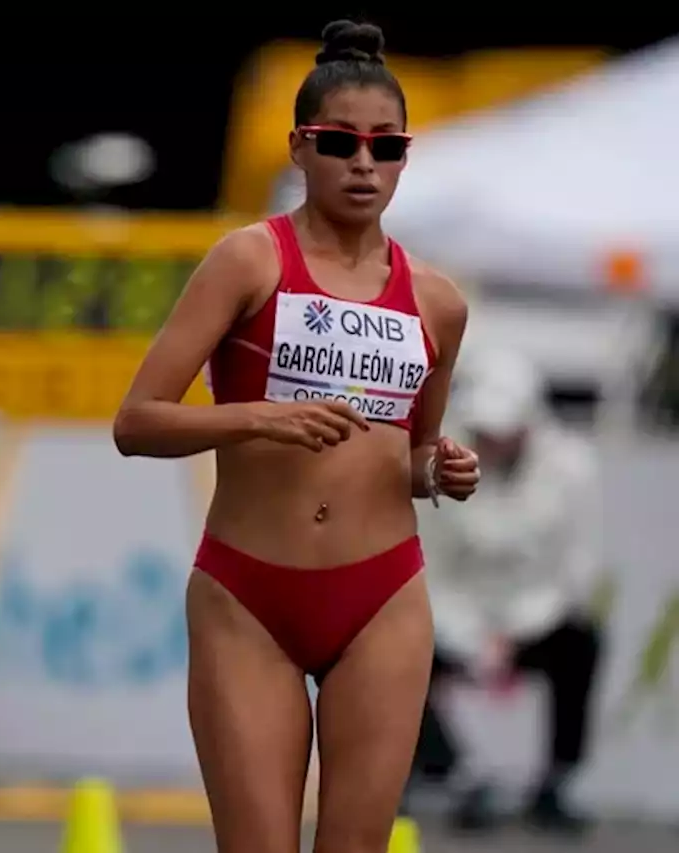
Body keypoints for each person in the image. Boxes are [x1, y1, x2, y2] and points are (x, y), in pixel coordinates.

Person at [114, 20, 481, 853]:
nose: (363, 163)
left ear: (404, 157)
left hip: (382, 595)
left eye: (385, 147)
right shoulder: (248, 261)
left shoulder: (438, 301)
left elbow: (416, 451)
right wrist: (260, 417)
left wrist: (442, 468)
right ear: (297, 148)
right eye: (339, 142)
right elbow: (136, 422)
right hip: (250, 596)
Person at [413, 349, 604, 835]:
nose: (489, 441)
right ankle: (459, 777)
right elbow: (431, 570)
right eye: (483, 429)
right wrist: (473, 637)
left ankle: (556, 783)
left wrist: (512, 635)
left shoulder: (573, 469)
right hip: (459, 621)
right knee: (391, 651)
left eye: (500, 430)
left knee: (583, 642)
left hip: (537, 619)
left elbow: (575, 572)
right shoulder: (442, 464)